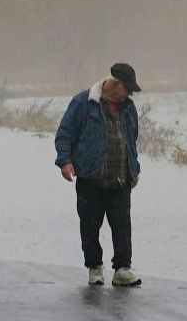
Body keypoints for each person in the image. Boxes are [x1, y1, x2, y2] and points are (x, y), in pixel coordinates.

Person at [53, 62, 143, 287]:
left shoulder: (129, 107)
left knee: (122, 225)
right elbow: (64, 133)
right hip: (91, 178)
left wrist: (134, 169)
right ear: (114, 84)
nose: (129, 94)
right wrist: (65, 161)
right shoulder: (83, 103)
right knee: (90, 225)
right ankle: (94, 268)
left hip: (120, 178)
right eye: (126, 88)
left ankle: (122, 269)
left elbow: (132, 140)